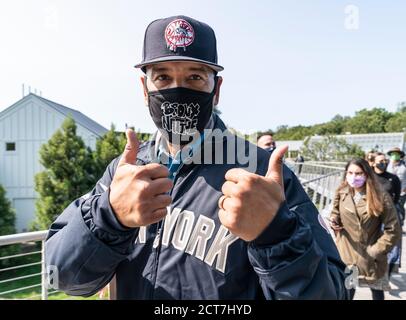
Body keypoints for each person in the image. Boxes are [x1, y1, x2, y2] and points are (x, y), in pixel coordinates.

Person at [45, 15, 348, 300]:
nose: (178, 90)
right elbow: (62, 278)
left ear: (216, 90)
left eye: (194, 77)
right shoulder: (124, 173)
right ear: (144, 88)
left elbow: (333, 291)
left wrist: (276, 235)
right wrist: (108, 216)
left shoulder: (262, 175)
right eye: (163, 77)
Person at [330, 158, 401, 300]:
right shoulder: (341, 191)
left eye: (358, 173)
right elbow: (335, 211)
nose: (353, 177)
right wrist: (334, 220)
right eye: (350, 173)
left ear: (366, 174)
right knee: (347, 291)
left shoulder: (380, 196)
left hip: (372, 255)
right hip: (348, 253)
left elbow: (393, 229)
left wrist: (376, 250)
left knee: (376, 291)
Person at [372, 152, 403, 275]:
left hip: (389, 214)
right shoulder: (369, 178)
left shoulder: (393, 178)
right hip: (372, 214)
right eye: (380, 161)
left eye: (385, 160)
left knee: (392, 243)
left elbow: (396, 196)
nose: (383, 163)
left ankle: (386, 271)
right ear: (374, 163)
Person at [387, 147, 406, 224]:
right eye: (393, 154)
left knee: (400, 208)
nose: (394, 155)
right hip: (390, 192)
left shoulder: (404, 166)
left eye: (396, 154)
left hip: (402, 192)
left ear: (400, 155)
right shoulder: (387, 165)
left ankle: (400, 223)